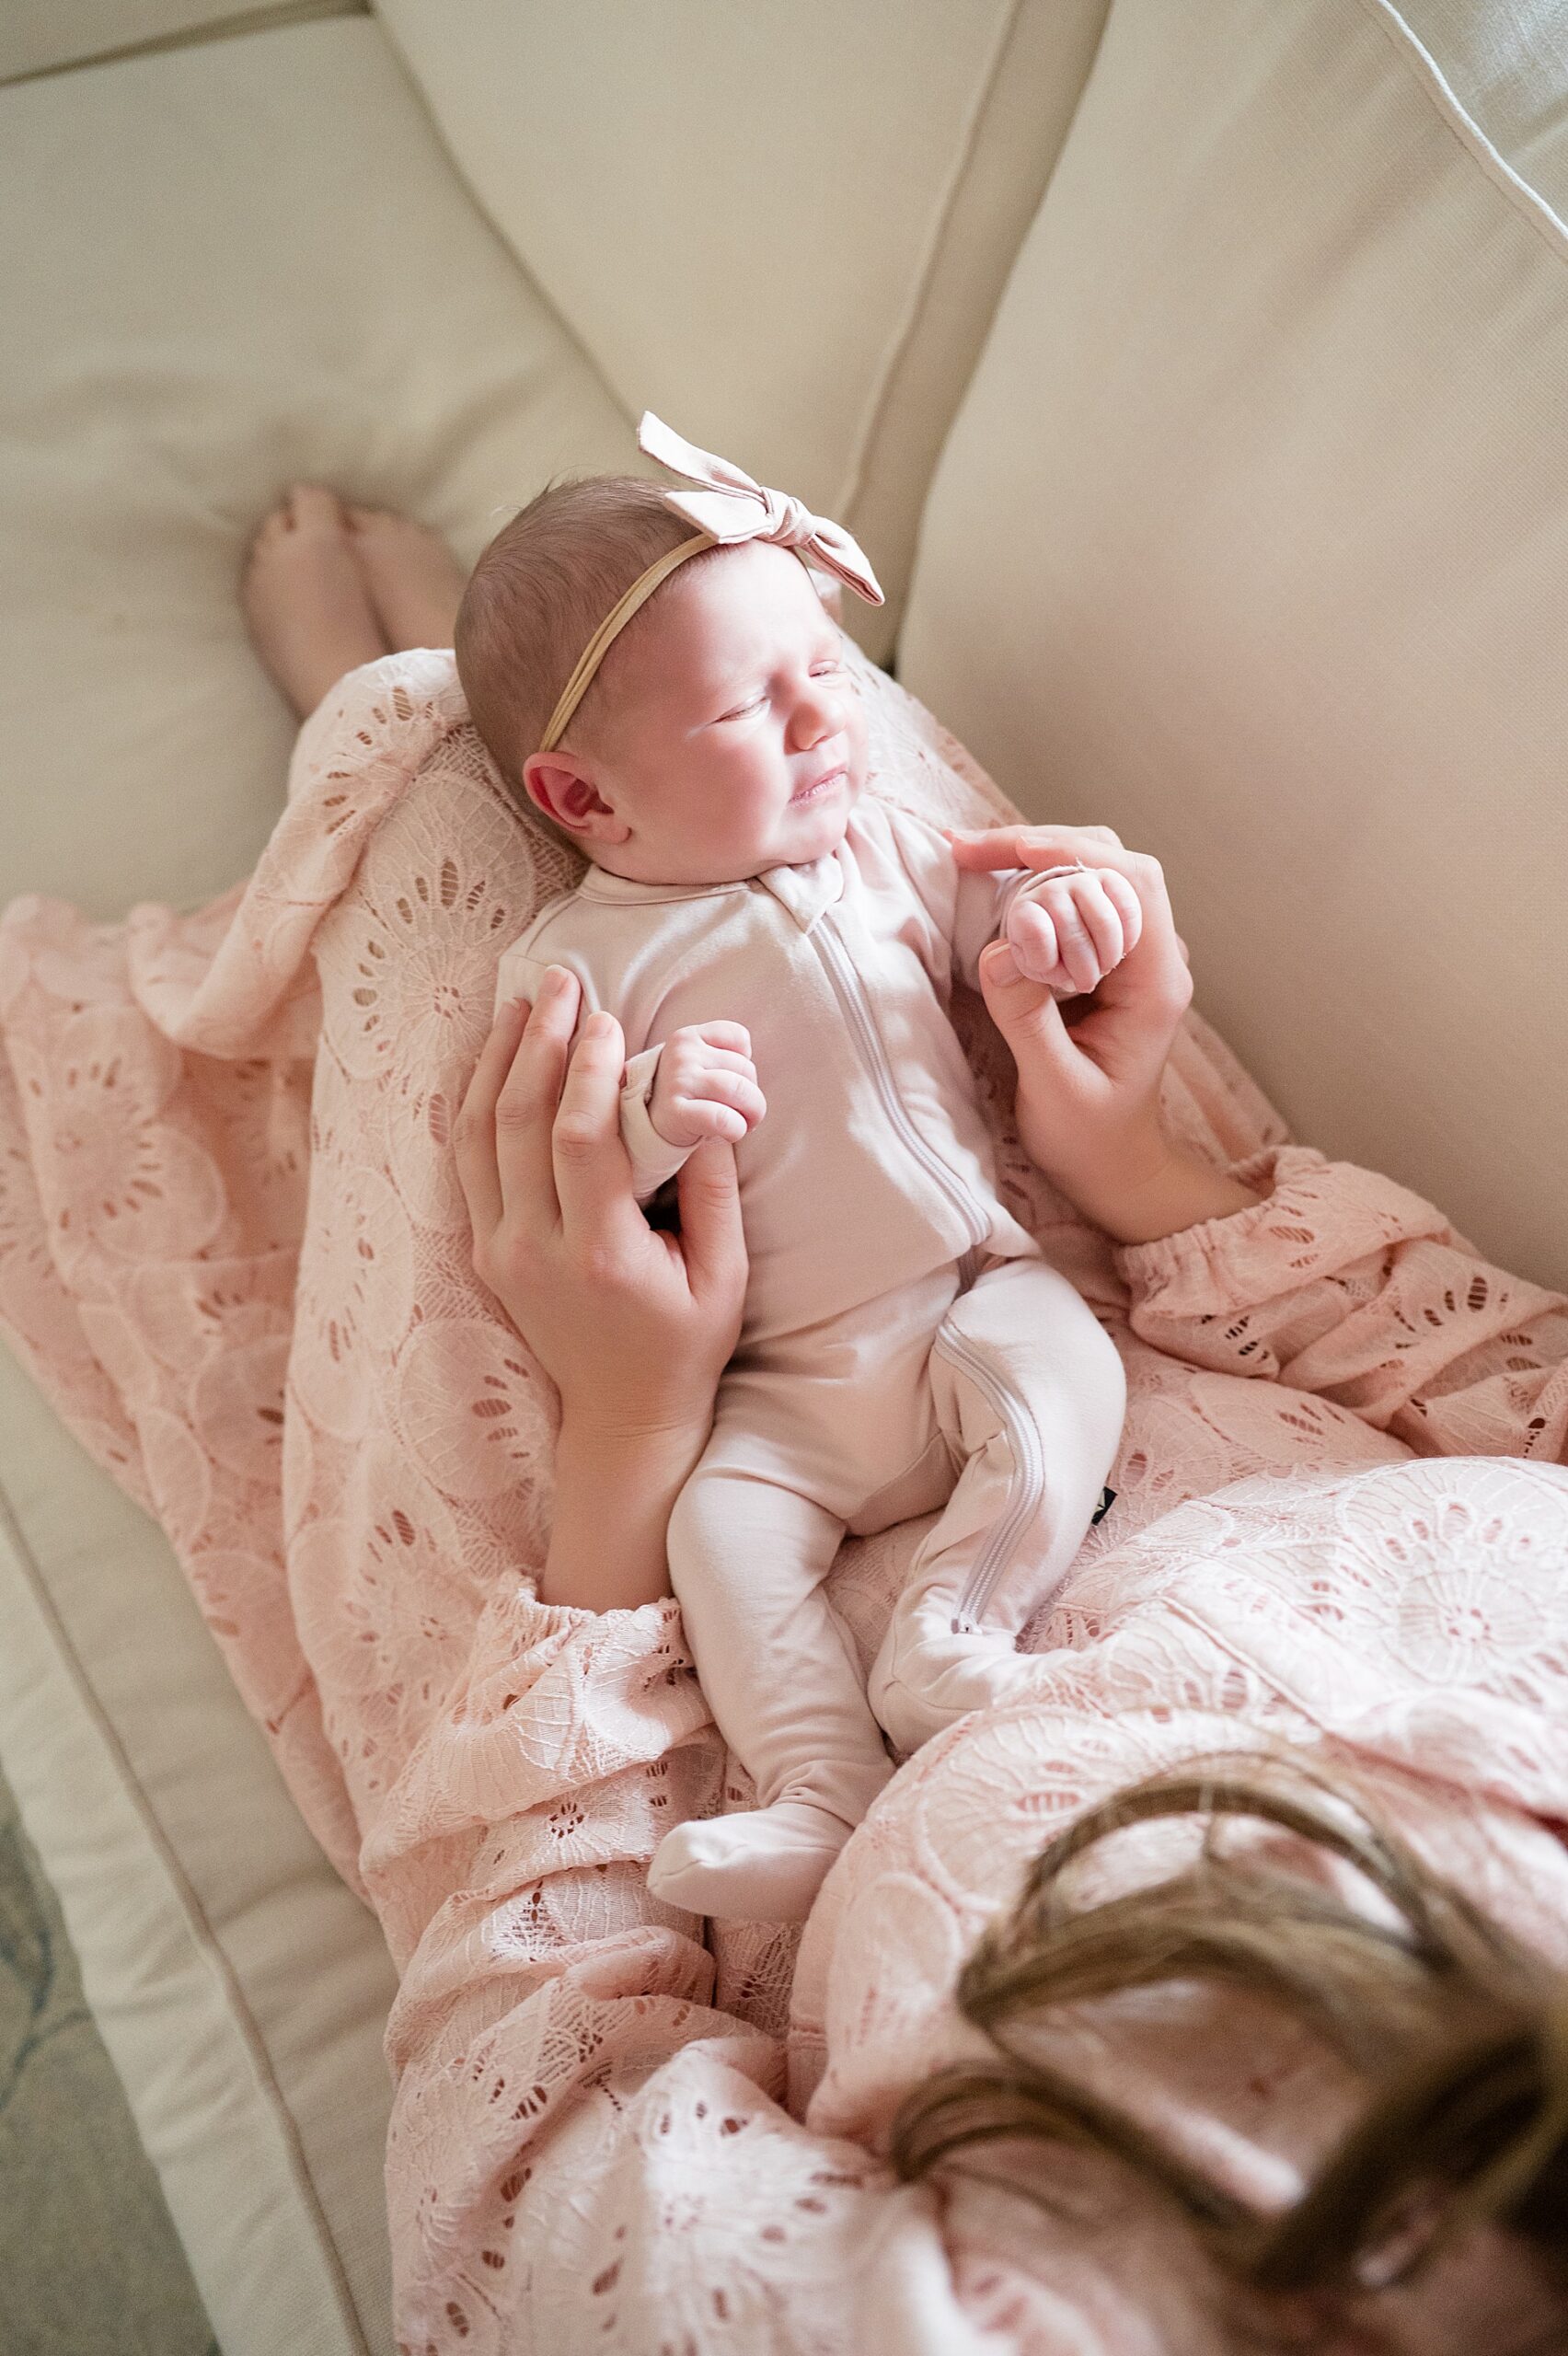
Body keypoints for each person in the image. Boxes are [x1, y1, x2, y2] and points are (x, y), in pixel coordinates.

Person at [447, 413, 1139, 1924]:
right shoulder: (581, 963)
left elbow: (1001, 945)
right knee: (720, 1539)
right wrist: (652, 1111)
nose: (827, 716)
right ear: (586, 801)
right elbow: (572, 1161)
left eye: (825, 668)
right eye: (752, 704)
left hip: (965, 1298)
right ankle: (816, 1792)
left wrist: (1057, 924)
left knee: (1067, 1384)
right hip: (781, 1384)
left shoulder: (880, 850)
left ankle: (953, 1629)